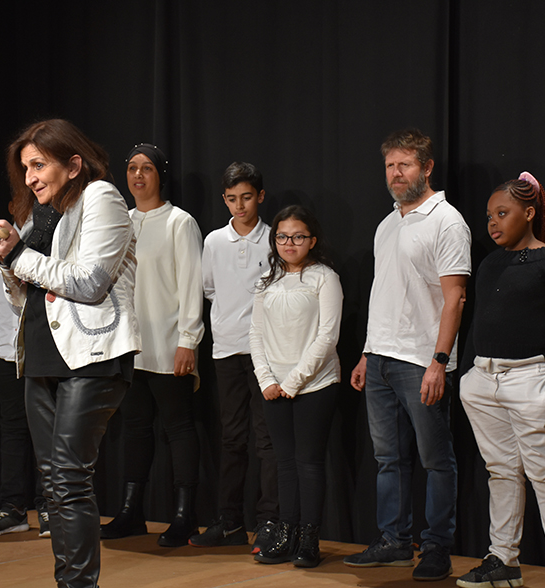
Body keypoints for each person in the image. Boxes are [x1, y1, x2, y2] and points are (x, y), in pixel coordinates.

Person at [0, 118, 139, 588]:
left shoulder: (101, 197)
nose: (29, 177)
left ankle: (78, 584)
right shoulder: (40, 213)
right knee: (54, 484)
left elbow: (89, 282)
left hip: (90, 355)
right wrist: (5, 256)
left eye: (38, 164)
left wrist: (15, 255)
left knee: (69, 478)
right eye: (25, 168)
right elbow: (21, 294)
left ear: (73, 164)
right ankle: (69, 581)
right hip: (41, 356)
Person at [345, 128, 470, 581]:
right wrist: (365, 353)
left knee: (436, 460)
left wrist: (440, 361)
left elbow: (454, 298)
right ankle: (395, 542)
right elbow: (385, 294)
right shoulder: (387, 223)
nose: (396, 174)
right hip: (379, 358)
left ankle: (436, 547)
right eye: (390, 166)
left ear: (427, 168)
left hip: (422, 361)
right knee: (388, 460)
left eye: (405, 165)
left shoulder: (447, 220)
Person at [457, 173, 545, 588]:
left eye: (502, 213)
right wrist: (468, 376)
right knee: (501, 472)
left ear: (528, 213)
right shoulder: (491, 262)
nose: (492, 223)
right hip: (484, 380)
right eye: (489, 215)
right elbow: (480, 320)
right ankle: (503, 559)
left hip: (532, 381)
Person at [100, 143, 204, 548]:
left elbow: (192, 285)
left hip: (169, 344)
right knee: (135, 429)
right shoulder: (120, 222)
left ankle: (184, 514)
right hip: (130, 346)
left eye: (146, 169)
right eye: (131, 169)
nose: (138, 176)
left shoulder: (180, 222)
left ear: (161, 175)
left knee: (179, 428)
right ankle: (131, 511)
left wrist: (188, 341)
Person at [190, 161, 278, 553]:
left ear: (260, 196)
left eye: (246, 197)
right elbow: (209, 289)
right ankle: (229, 522)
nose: (239, 206)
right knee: (231, 438)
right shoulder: (213, 241)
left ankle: (269, 521)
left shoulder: (276, 238)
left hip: (266, 353)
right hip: (225, 349)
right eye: (231, 199)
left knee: (266, 439)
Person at [249, 205, 342, 568]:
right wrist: (267, 379)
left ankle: (309, 540)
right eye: (283, 236)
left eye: (298, 236)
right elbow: (255, 333)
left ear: (312, 240)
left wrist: (292, 382)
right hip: (274, 387)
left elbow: (327, 336)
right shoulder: (265, 282)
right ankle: (286, 534)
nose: (290, 243)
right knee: (284, 464)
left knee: (309, 464)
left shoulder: (324, 277)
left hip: (315, 385)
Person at [0, 251, 47, 537]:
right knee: (12, 429)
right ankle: (13, 507)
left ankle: (49, 506)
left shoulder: (46, 235)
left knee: (46, 429)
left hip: (43, 349)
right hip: (5, 350)